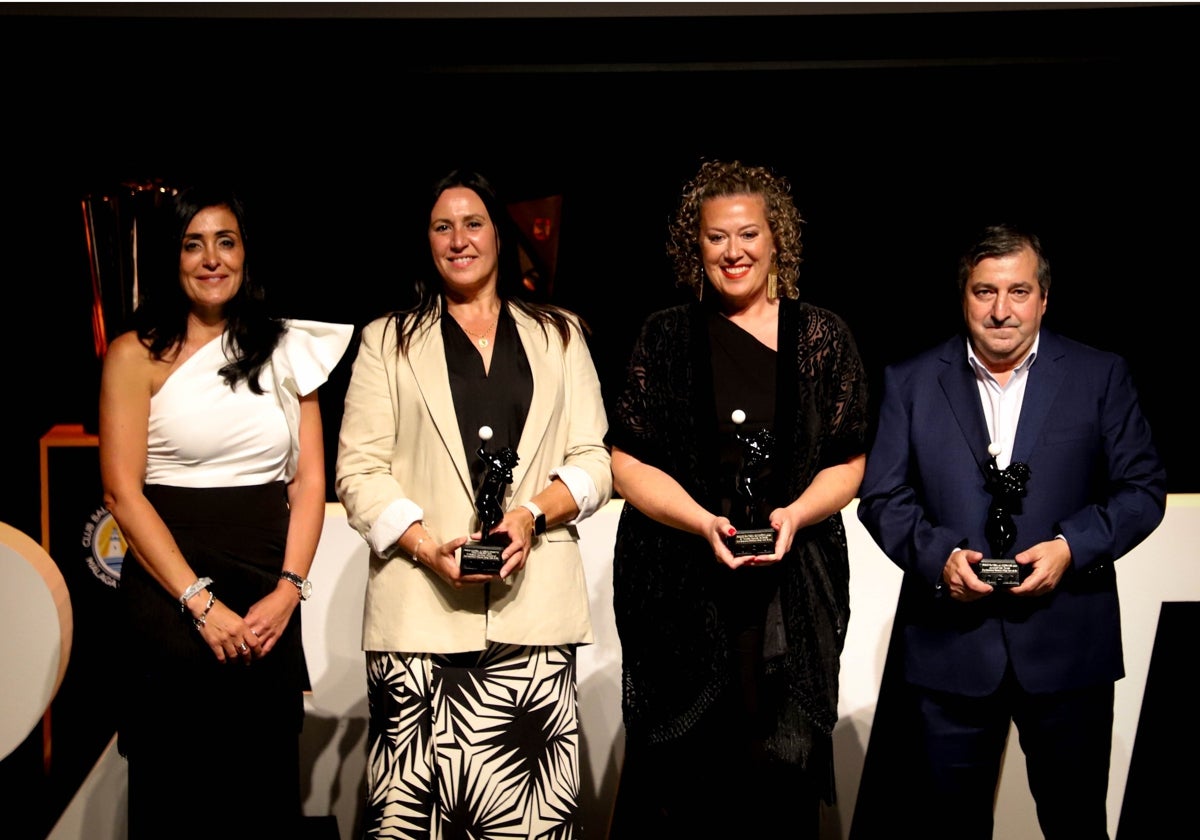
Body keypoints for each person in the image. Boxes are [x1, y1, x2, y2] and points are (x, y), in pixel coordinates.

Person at [856, 223, 1167, 839]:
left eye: (1018, 291)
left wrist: (1070, 548)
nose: (1001, 311)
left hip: (1068, 648)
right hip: (950, 651)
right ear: (964, 297)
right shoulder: (912, 381)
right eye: (984, 292)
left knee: (1076, 826)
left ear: (1044, 298)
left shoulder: (1099, 375)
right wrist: (940, 557)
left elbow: (1142, 491)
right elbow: (883, 496)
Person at [335, 168, 612, 838]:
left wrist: (528, 516)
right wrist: (428, 547)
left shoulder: (563, 334)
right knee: (416, 820)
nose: (459, 239)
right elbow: (359, 472)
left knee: (529, 821)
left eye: (474, 222)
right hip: (419, 619)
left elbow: (594, 461)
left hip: (533, 616)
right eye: (442, 225)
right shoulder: (386, 340)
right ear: (426, 241)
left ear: (500, 233)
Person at [607, 159, 870, 838]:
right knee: (684, 797)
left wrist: (795, 514)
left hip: (789, 599)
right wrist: (699, 522)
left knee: (778, 788)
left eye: (748, 234)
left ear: (776, 237)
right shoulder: (664, 337)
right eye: (717, 238)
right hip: (682, 597)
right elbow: (625, 461)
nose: (734, 252)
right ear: (693, 246)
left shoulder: (821, 337)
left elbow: (850, 461)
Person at [98, 185, 352, 838]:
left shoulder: (293, 349)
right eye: (193, 243)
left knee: (260, 802)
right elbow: (122, 493)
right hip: (169, 599)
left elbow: (310, 482)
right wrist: (199, 602)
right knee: (172, 802)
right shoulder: (134, 354)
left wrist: (288, 593)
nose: (211, 258)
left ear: (246, 255)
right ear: (173, 258)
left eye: (226, 241)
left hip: (268, 600)